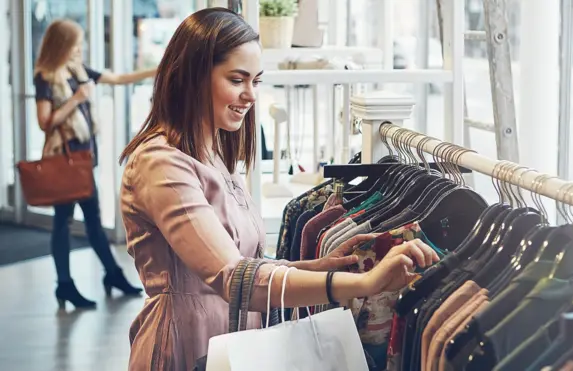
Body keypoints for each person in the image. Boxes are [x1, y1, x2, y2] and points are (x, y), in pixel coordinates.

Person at [118, 8, 439, 370]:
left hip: (229, 342)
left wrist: (318, 267)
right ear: (193, 77)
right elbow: (233, 278)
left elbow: (242, 264)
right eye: (237, 80)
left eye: (256, 81)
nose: (251, 95)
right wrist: (363, 284)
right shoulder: (161, 163)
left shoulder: (212, 153)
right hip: (184, 343)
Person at [34, 19, 154, 310]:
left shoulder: (77, 70)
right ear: (62, 44)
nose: (79, 48)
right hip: (64, 158)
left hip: (83, 158)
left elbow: (119, 79)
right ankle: (67, 284)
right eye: (75, 42)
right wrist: (77, 99)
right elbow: (44, 122)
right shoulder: (46, 76)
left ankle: (110, 275)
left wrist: (161, 68)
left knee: (93, 220)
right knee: (64, 222)